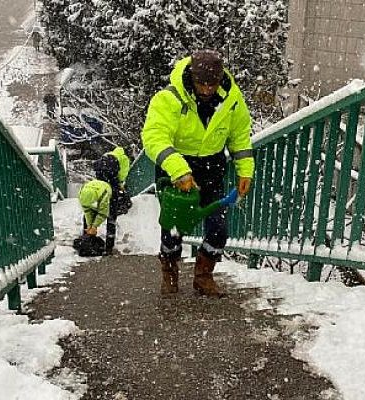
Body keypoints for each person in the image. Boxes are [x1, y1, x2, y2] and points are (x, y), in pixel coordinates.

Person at [141, 49, 254, 297]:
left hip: (212, 167)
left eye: (211, 85)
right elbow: (154, 136)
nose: (206, 90)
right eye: (201, 84)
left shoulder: (232, 100)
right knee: (175, 225)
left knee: (218, 227)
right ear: (192, 77)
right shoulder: (169, 99)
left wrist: (245, 172)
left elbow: (240, 137)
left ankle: (204, 276)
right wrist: (179, 170)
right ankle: (169, 273)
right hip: (175, 167)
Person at [77, 153, 120, 255]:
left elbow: (102, 213)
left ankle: (86, 240)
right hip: (104, 189)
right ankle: (109, 246)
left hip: (105, 191)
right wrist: (91, 226)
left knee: (103, 214)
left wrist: (93, 226)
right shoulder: (117, 162)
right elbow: (88, 210)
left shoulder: (102, 191)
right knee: (111, 218)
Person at [93, 146, 132, 254]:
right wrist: (119, 185)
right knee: (112, 214)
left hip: (100, 184)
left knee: (95, 208)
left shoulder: (108, 154)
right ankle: (109, 247)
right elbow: (122, 175)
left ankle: (88, 239)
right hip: (112, 182)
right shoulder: (124, 158)